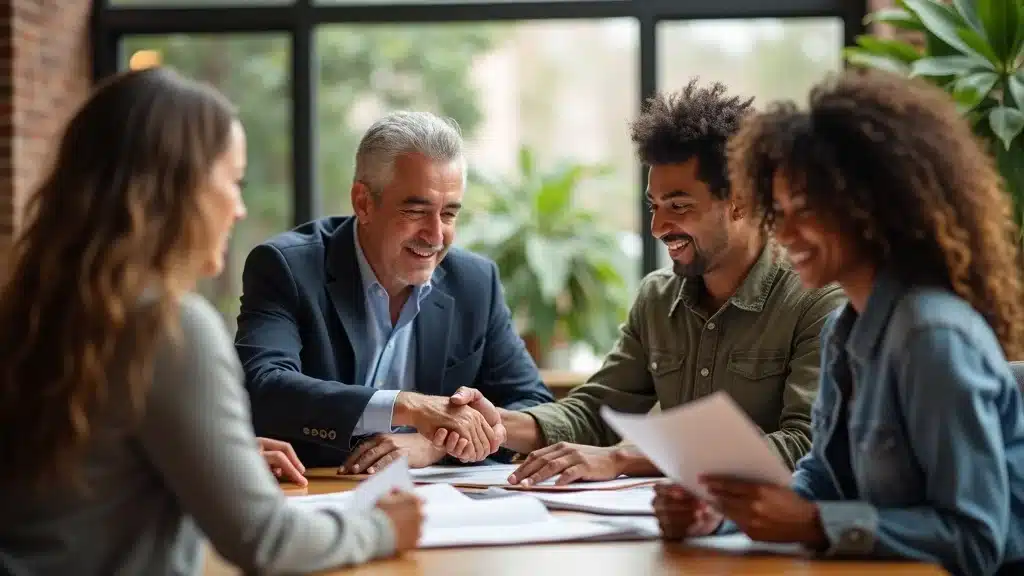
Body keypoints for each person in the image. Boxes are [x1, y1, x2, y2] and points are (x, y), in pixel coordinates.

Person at [0, 67, 423, 575]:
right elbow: (265, 541)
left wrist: (221, 455)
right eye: (233, 181)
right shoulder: (169, 327)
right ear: (177, 189)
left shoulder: (35, 307)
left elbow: (86, 479)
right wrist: (382, 527)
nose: (239, 209)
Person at [654, 69, 1024, 576]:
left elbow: (976, 540)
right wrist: (722, 514)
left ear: (874, 209)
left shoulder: (932, 337)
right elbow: (824, 481)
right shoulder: (843, 329)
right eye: (778, 211)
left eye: (806, 211)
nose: (784, 232)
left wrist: (813, 523)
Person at [446, 79, 846, 486]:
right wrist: (495, 424)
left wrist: (625, 458)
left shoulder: (817, 300)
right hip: (674, 516)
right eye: (654, 206)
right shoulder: (658, 297)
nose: (658, 227)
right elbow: (595, 412)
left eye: (679, 206)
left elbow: (806, 445)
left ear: (740, 201)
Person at [235, 110, 554, 472]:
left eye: (449, 214)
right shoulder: (288, 267)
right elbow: (264, 387)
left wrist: (434, 444)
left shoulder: (475, 282)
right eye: (416, 211)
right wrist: (410, 407)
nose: (435, 236)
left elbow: (533, 406)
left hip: (435, 497)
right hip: (313, 488)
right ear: (363, 203)